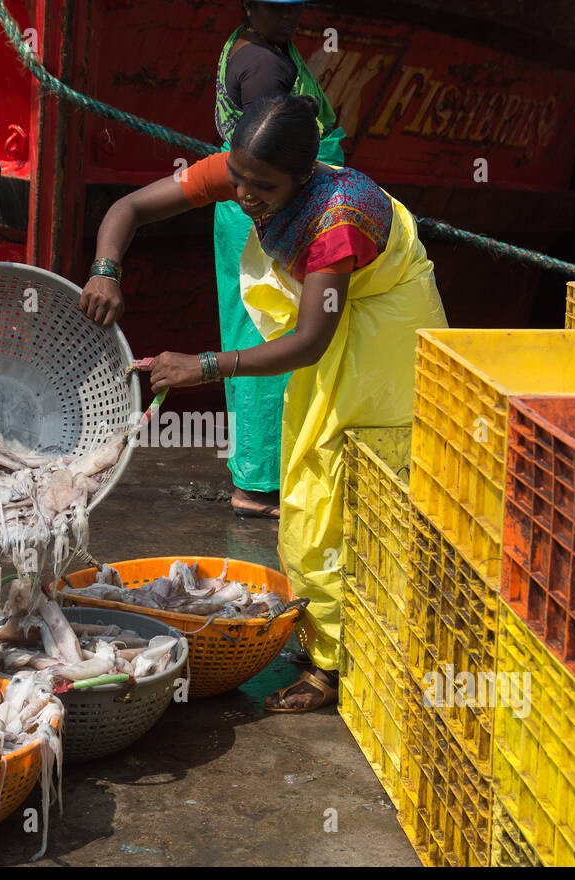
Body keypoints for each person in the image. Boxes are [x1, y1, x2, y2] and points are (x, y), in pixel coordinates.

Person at [80, 94, 447, 712]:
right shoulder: (245, 169)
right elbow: (130, 207)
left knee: (335, 486)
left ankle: (334, 668)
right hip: (337, 318)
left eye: (263, 188)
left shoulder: (336, 222)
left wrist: (203, 366)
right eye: (239, 180)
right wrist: (106, 269)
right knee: (309, 482)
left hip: (385, 324)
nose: (245, 196)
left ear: (304, 176)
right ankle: (332, 640)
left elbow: (309, 340)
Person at [214, 1, 345, 520]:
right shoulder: (265, 66)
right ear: (250, 5)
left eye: (295, 7)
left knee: (259, 326)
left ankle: (261, 472)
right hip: (266, 216)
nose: (290, 17)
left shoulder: (263, 46)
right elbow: (269, 153)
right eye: (277, 8)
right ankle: (260, 482)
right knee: (269, 333)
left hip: (257, 209)